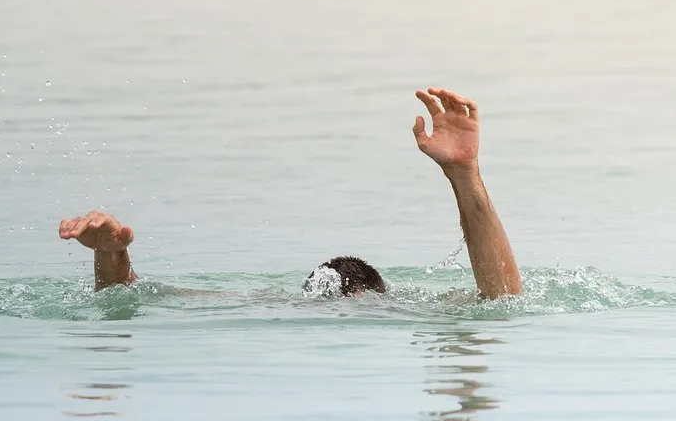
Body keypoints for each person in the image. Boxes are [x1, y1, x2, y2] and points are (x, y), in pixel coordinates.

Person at [59, 89, 522, 300]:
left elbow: (132, 298)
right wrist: (111, 258)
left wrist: (465, 173)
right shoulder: (403, 313)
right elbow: (503, 299)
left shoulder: (263, 304)